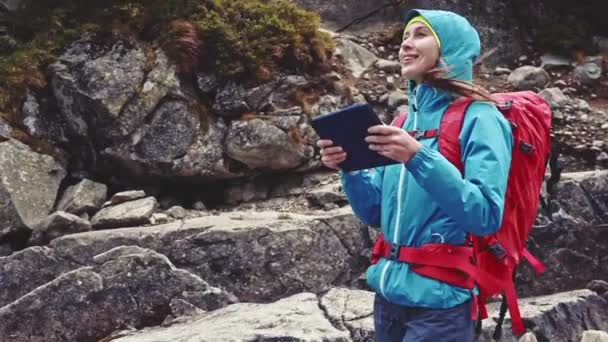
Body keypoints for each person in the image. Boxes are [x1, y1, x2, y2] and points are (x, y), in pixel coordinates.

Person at [317, 9, 513, 342]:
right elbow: (373, 213)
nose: (406, 45)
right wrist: (349, 169)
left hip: (442, 305)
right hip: (388, 298)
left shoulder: (482, 118)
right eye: (405, 37)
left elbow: (484, 215)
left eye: (420, 35)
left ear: (450, 47)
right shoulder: (402, 122)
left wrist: (418, 157)